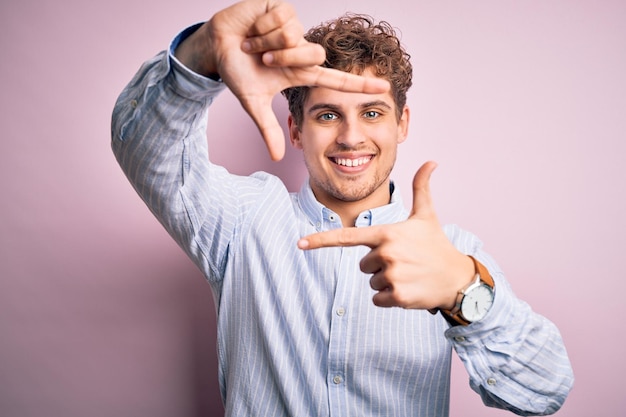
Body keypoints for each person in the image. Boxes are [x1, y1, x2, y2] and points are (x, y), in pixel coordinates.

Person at [111, 0, 574, 415]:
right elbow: (146, 150)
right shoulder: (241, 219)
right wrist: (202, 54)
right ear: (296, 130)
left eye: (372, 112)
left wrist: (462, 292)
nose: (351, 136)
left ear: (401, 124)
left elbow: (544, 389)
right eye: (328, 115)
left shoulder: (450, 253)